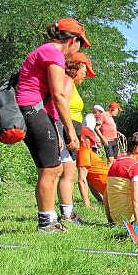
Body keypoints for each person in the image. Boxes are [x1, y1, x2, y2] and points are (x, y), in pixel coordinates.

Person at [15, 17, 90, 233]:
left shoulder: (48, 51)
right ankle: (46, 223)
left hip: (40, 112)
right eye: (81, 44)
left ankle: (50, 218)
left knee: (54, 168)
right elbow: (58, 95)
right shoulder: (53, 53)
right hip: (34, 110)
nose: (77, 50)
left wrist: (57, 130)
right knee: (49, 170)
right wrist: (70, 133)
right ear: (73, 40)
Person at [56, 51, 95, 223]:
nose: (85, 76)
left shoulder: (69, 82)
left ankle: (67, 212)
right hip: (66, 131)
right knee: (68, 174)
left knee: (68, 174)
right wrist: (67, 133)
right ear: (77, 67)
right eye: (85, 71)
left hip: (69, 131)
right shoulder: (67, 81)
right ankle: (66, 215)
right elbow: (58, 104)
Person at [77, 126, 109, 205]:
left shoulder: (86, 152)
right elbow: (82, 180)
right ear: (82, 138)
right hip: (113, 188)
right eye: (90, 140)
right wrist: (87, 204)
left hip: (112, 187)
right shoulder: (83, 153)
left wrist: (101, 200)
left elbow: (90, 182)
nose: (92, 143)